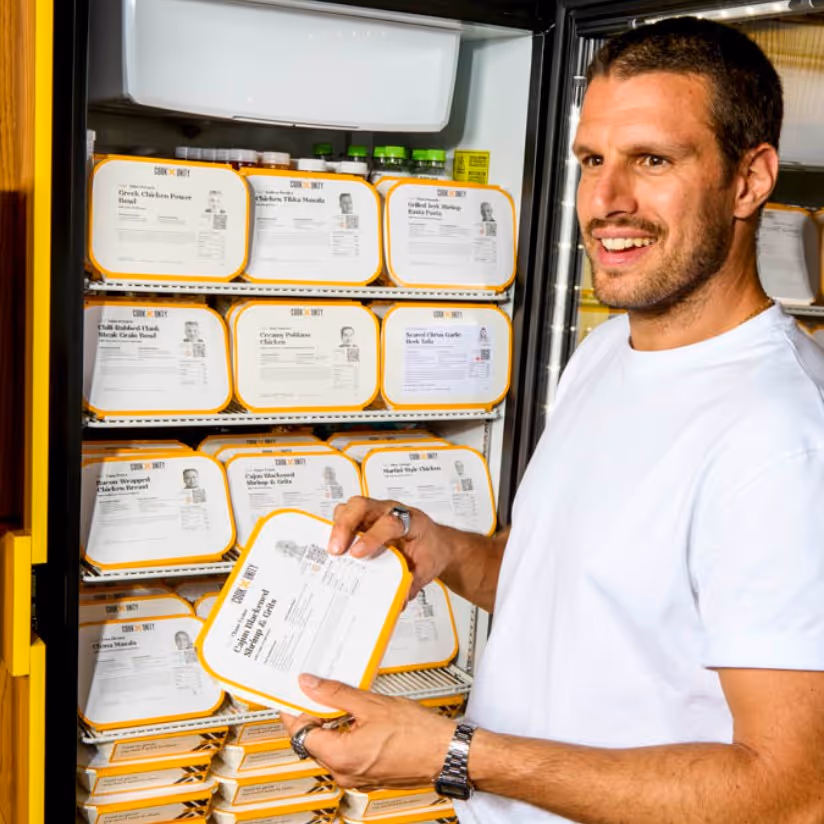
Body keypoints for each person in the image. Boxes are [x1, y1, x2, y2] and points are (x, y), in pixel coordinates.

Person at [281, 17, 824, 824]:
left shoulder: (782, 437)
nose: (605, 202)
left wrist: (452, 755)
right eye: (592, 161)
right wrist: (443, 549)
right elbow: (586, 595)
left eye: (653, 160)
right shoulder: (606, 352)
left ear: (749, 181)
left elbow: (787, 795)